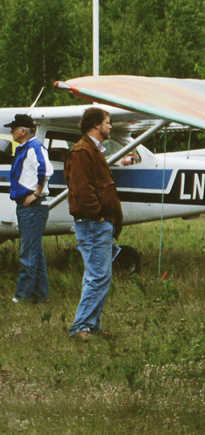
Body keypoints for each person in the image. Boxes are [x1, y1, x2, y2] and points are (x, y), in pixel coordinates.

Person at [64, 107, 123, 341]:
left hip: (97, 223)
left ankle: (92, 325)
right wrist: (97, 216)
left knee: (98, 275)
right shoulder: (81, 152)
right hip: (93, 223)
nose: (110, 127)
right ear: (96, 125)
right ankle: (80, 327)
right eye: (108, 122)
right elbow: (82, 189)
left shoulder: (91, 150)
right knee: (98, 276)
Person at [6, 113, 50, 304]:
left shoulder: (34, 147)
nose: (11, 131)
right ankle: (41, 295)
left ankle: (21, 297)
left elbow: (45, 170)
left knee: (28, 253)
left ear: (23, 131)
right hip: (27, 206)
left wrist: (36, 193)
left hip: (32, 206)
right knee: (35, 252)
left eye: (14, 128)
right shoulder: (25, 148)